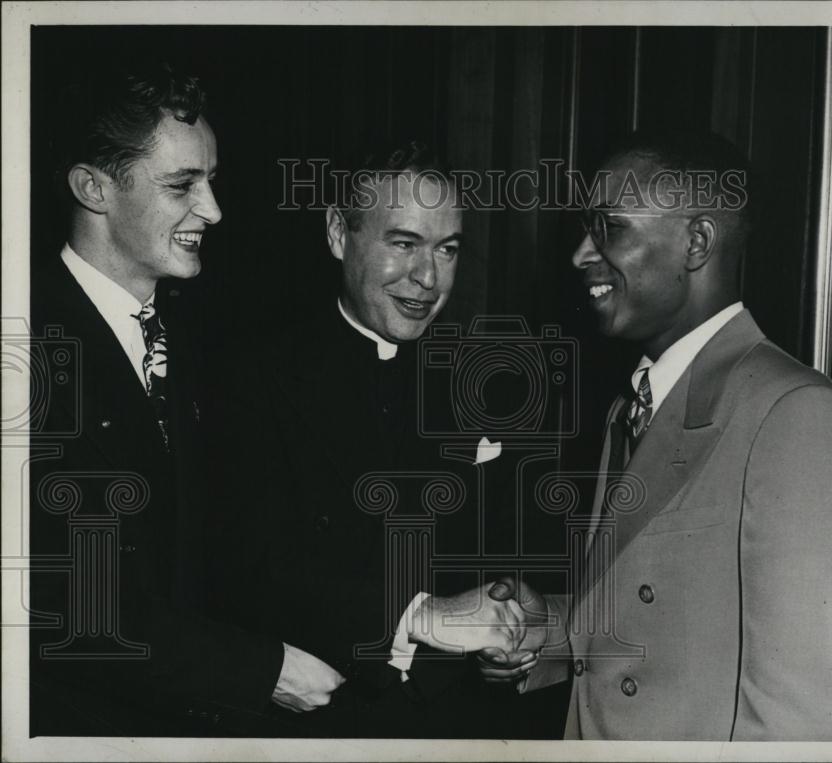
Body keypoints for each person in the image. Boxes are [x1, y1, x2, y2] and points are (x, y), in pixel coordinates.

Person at [28, 64, 506, 737]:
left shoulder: (192, 339)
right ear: (92, 187)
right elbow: (49, 602)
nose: (215, 210)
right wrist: (259, 668)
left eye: (212, 181)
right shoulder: (26, 341)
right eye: (182, 185)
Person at [478, 130, 832, 741]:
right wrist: (549, 630)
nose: (581, 254)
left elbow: (805, 718)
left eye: (610, 228)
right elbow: (668, 621)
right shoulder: (631, 404)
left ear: (695, 242)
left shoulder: (797, 414)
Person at [206, 141, 532, 738]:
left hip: (463, 728)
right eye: (403, 243)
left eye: (448, 250)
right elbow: (242, 571)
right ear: (338, 233)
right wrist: (420, 615)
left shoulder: (485, 379)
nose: (428, 278)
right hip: (321, 726)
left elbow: (508, 553)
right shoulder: (250, 376)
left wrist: (510, 640)